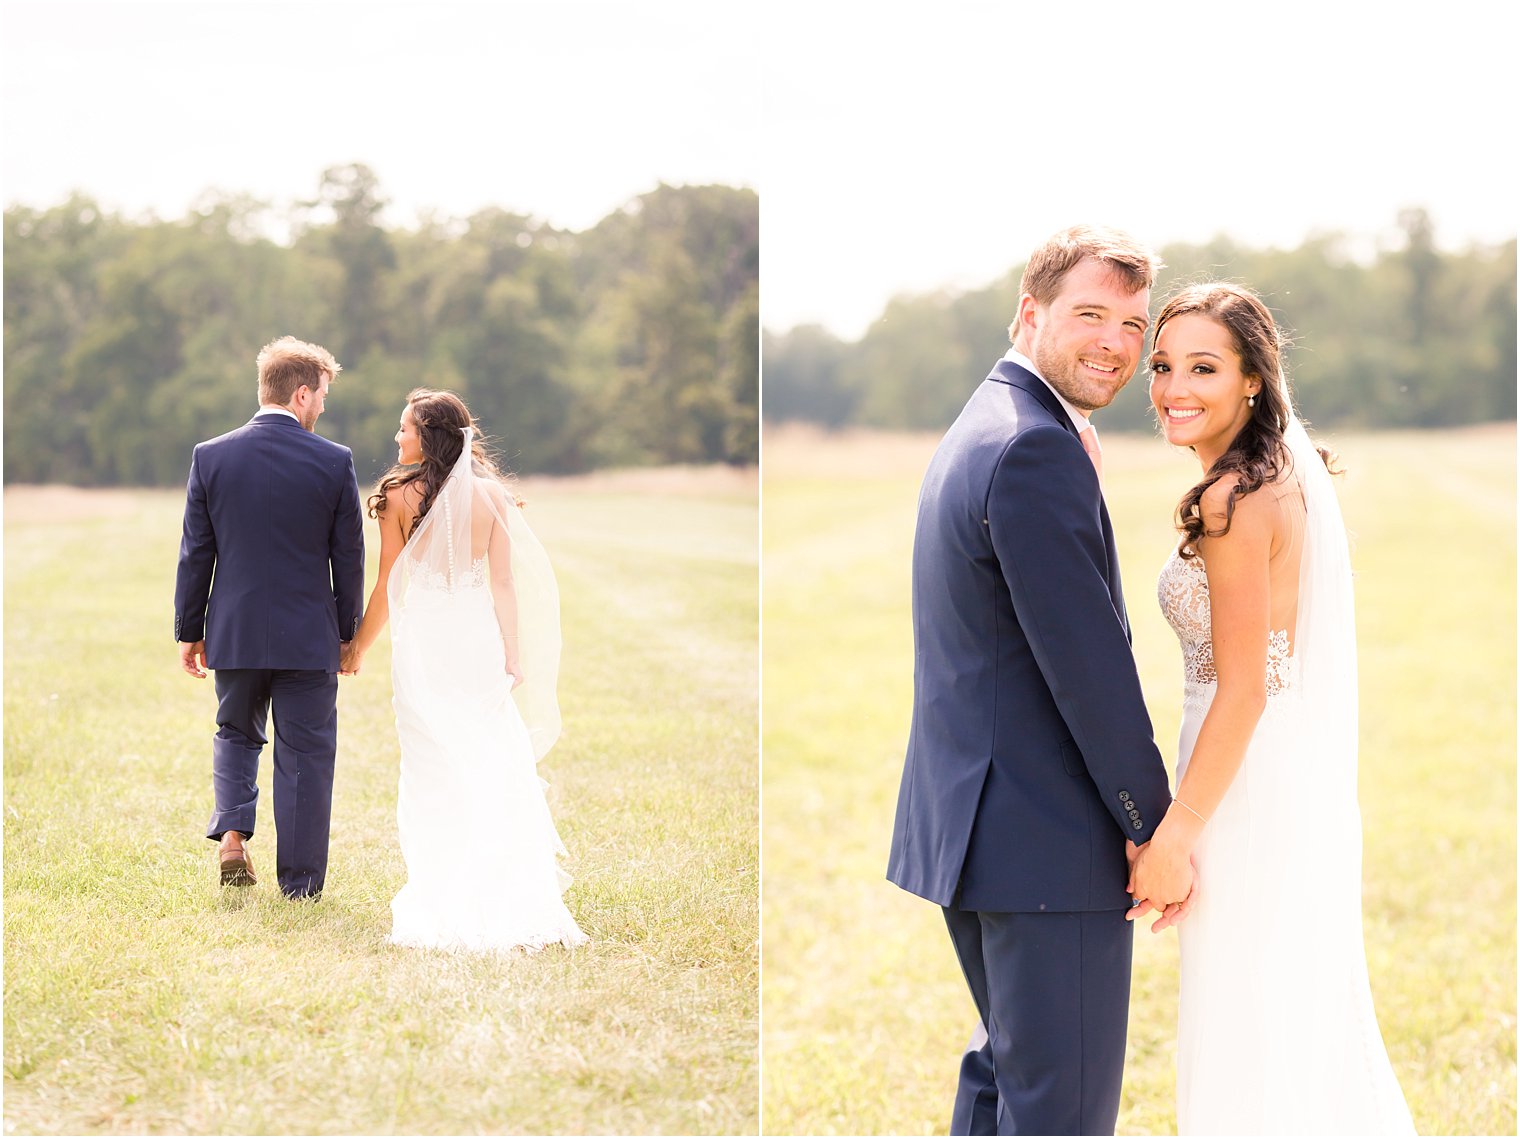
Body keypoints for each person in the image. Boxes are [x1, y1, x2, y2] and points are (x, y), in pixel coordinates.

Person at [887, 225, 1195, 1136]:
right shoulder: (1032, 445)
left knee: (1008, 1084)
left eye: (1133, 325)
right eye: (1090, 314)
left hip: (982, 834)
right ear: (1031, 312)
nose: (1114, 342)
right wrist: (1154, 827)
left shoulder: (992, 421)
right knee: (1060, 1114)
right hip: (1046, 846)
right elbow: (1087, 668)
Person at [1137, 282, 1415, 1133]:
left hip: (1244, 785)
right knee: (1287, 1006)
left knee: (1247, 1014)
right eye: (1163, 365)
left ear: (1253, 377)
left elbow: (1246, 684)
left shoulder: (1233, 498)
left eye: (1204, 367)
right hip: (1280, 772)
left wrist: (1174, 835)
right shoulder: (1281, 474)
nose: (1174, 387)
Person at [341, 389, 586, 952]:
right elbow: (502, 584)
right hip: (476, 644)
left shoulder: (400, 496)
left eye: (404, 428)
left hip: (425, 648)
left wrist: (358, 646)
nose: (397, 438)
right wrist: (512, 654)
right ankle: (504, 892)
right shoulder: (493, 496)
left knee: (430, 768)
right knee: (492, 761)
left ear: (428, 435)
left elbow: (387, 585)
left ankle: (443, 896)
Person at [175, 335, 364, 899]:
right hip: (309, 638)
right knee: (306, 752)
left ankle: (233, 831)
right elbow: (348, 559)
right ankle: (300, 885)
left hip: (232, 632)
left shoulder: (211, 456)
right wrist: (346, 633)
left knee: (235, 732)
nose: (323, 407)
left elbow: (195, 552)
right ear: (302, 394)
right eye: (322, 395)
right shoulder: (335, 462)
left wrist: (190, 631)